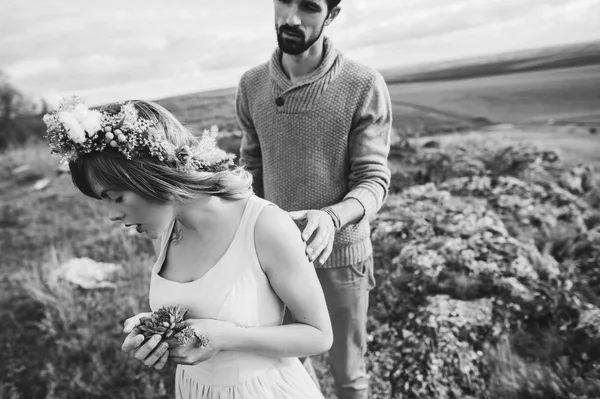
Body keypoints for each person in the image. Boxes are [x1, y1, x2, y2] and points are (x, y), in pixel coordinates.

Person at [43, 97, 333, 398]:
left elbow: (319, 336)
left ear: (152, 176)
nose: (111, 215)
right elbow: (195, 309)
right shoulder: (163, 232)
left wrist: (227, 338)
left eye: (116, 197)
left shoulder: (264, 225)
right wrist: (155, 331)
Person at [235, 0, 392, 398]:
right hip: (276, 262)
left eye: (307, 6)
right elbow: (250, 168)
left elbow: (374, 181)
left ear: (332, 14)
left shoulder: (363, 84)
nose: (290, 18)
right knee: (284, 372)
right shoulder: (251, 84)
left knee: (348, 375)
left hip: (342, 260)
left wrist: (332, 218)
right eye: (284, 2)